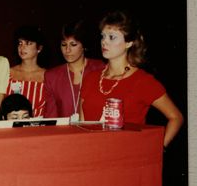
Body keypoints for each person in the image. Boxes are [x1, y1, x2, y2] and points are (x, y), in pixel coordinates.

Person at [80, 10, 183, 147]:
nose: (104, 42)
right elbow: (81, 124)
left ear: (129, 43)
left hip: (127, 159)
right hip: (91, 155)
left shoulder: (142, 81)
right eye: (103, 36)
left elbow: (176, 117)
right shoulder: (90, 78)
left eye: (112, 37)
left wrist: (158, 149)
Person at [43, 20, 105, 119]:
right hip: (64, 133)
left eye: (73, 44)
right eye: (64, 44)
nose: (67, 50)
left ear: (84, 46)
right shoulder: (51, 76)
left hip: (94, 131)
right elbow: (51, 116)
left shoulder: (100, 68)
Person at [6, 25, 47, 117]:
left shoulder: (48, 76)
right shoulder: (8, 73)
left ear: (39, 48)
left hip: (38, 129)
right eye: (20, 43)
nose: (22, 47)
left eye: (28, 43)